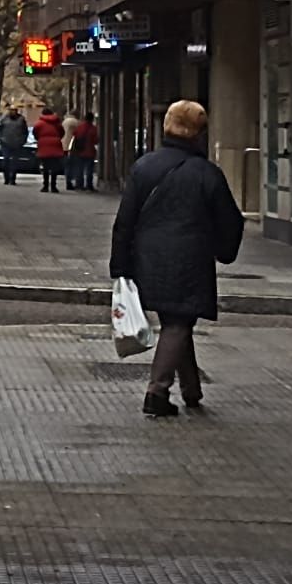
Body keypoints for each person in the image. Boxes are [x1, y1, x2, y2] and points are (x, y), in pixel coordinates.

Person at [110, 99, 245, 418]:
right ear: (199, 132)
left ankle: (191, 388)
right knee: (180, 320)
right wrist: (224, 250)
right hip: (189, 258)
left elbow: (125, 219)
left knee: (177, 319)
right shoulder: (206, 173)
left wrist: (121, 265)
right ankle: (157, 392)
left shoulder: (144, 166)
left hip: (148, 256)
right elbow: (229, 220)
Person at [32, 107, 66, 192]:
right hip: (55, 144)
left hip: (44, 145)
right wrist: (57, 138)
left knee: (45, 166)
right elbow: (62, 132)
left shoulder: (39, 123)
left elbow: (35, 133)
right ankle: (53, 186)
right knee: (54, 167)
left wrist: (40, 139)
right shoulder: (57, 123)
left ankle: (45, 186)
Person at [0, 105, 30, 186]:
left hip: (17, 144)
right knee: (6, 161)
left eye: (14, 110)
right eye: (11, 110)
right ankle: (6, 178)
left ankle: (13, 179)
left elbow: (25, 132)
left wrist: (22, 141)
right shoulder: (4, 119)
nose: (12, 112)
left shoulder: (21, 119)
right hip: (6, 143)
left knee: (14, 162)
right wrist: (1, 139)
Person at [68, 112, 100, 191]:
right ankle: (89, 185)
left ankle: (79, 185)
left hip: (79, 151)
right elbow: (96, 140)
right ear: (92, 119)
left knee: (79, 169)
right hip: (90, 152)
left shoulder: (79, 127)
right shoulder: (93, 128)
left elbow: (74, 135)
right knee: (89, 170)